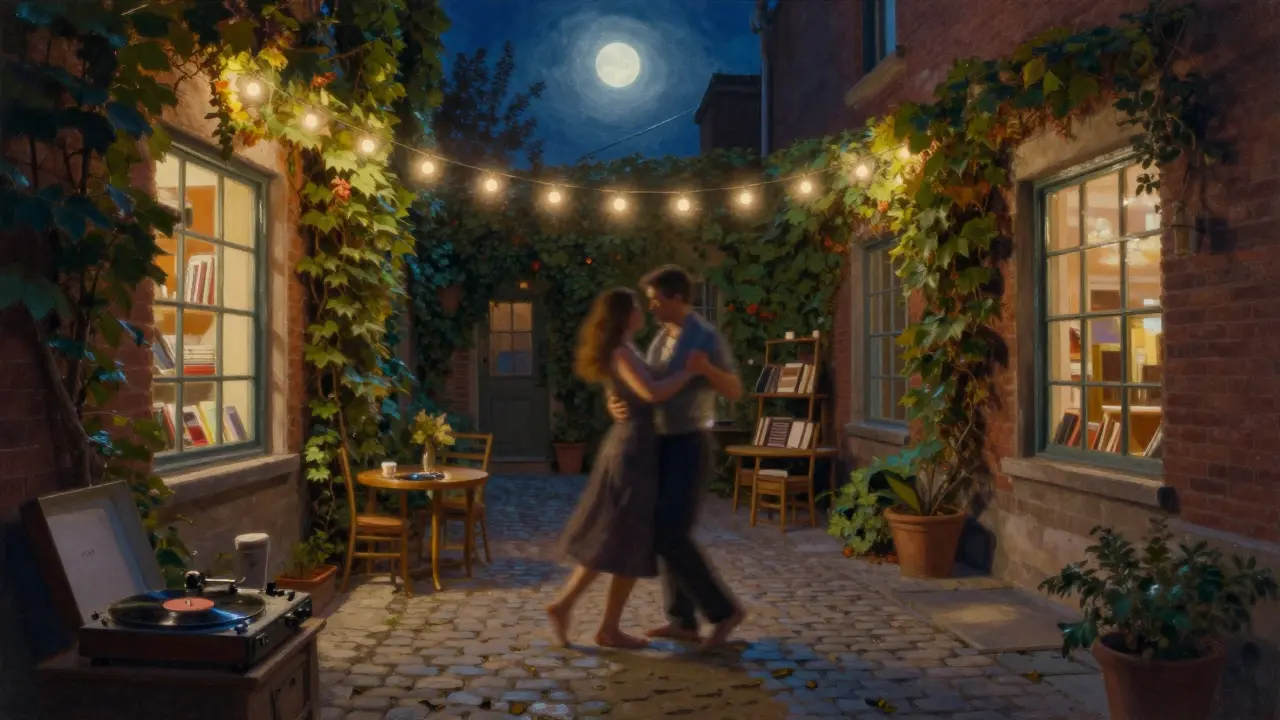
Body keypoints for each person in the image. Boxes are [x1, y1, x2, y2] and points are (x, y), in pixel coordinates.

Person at [547, 287, 712, 649]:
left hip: (637, 449)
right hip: (632, 453)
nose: (641, 310)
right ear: (623, 314)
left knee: (621, 541)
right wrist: (690, 371)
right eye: (635, 306)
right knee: (623, 540)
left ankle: (593, 620)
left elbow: (630, 391)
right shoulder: (622, 351)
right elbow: (652, 393)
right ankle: (590, 619)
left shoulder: (626, 349)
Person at [609, 264, 746, 648]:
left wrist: (705, 369)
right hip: (664, 442)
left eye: (656, 301)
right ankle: (682, 621)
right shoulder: (661, 337)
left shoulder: (704, 336)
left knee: (670, 530)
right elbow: (647, 382)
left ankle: (723, 611)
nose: (651, 308)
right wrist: (614, 401)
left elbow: (734, 389)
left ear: (676, 299)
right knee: (663, 530)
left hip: (691, 443)